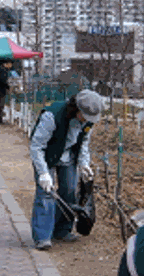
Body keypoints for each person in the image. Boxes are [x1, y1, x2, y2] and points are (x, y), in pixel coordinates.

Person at [29, 89, 104, 251]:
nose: (86, 121)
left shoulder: (87, 122)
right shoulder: (52, 116)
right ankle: (42, 237)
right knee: (46, 193)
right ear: (75, 108)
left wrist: (84, 164)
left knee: (69, 190)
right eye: (84, 116)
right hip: (47, 155)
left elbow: (83, 143)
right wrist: (43, 173)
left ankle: (62, 230)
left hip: (68, 156)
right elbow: (36, 146)